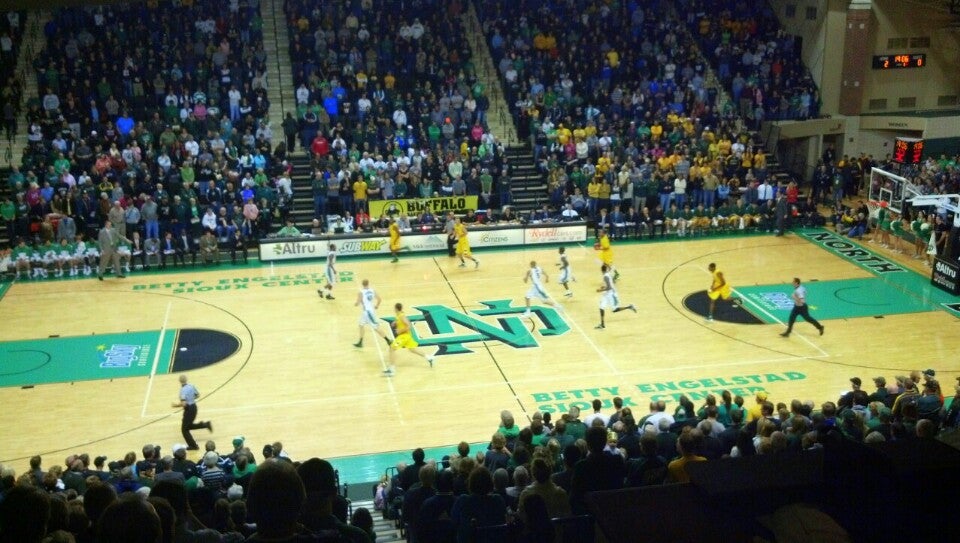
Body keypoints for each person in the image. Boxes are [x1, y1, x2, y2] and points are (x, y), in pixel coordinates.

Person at [384, 302, 436, 376]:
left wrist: (400, 330)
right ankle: (429, 357)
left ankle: (391, 370)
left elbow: (409, 325)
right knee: (412, 349)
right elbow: (400, 320)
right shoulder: (399, 315)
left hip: (404, 336)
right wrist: (395, 322)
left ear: (396, 309)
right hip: (407, 336)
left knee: (392, 348)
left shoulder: (401, 316)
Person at [172, 374, 212, 451]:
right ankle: (205, 424)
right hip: (194, 407)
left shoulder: (182, 390)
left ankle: (193, 446)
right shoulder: (191, 386)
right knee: (188, 426)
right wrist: (190, 399)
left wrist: (175, 405)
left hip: (188, 410)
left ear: (180, 381)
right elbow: (197, 395)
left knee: (184, 430)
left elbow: (184, 404)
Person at [353, 279, 391, 348]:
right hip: (368, 312)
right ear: (368, 284)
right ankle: (360, 342)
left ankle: (388, 340)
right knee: (361, 324)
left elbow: (358, 303)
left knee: (376, 327)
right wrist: (377, 306)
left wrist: (355, 304)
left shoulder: (361, 292)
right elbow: (379, 299)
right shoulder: (373, 290)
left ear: (362, 284)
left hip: (367, 313)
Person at [595, 263, 635, 329]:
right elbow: (610, 283)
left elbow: (609, 287)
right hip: (606, 294)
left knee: (615, 309)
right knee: (601, 307)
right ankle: (602, 325)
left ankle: (629, 307)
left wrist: (600, 290)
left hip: (611, 294)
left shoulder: (605, 276)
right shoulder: (608, 273)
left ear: (602, 271)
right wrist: (604, 287)